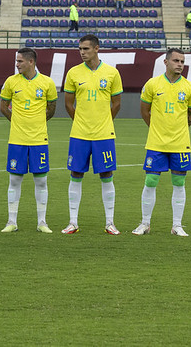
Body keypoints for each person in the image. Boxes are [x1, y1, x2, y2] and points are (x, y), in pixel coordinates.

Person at [133, 49, 191, 237]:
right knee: (151, 180)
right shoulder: (152, 84)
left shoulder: (190, 87)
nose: (180, 64)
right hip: (156, 143)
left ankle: (177, 225)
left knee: (179, 182)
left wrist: (179, 129)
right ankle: (145, 223)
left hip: (180, 143)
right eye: (176, 60)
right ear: (166, 62)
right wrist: (157, 128)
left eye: (182, 61)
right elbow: (145, 111)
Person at [61, 34, 123, 235]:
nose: (82, 52)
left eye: (86, 49)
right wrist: (80, 121)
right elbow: (69, 104)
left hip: (104, 135)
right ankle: (73, 222)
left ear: (96, 49)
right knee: (76, 174)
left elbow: (117, 103)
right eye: (80, 49)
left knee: (106, 174)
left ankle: (110, 222)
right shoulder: (73, 73)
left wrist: (104, 121)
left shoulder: (112, 73)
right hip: (79, 134)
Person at [0, 48, 57, 233]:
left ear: (31, 62)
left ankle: (42, 222)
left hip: (39, 140)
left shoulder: (47, 82)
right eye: (17, 61)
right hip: (17, 139)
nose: (17, 65)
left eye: (20, 61)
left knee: (41, 181)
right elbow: (3, 107)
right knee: (14, 179)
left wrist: (37, 123)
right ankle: (11, 221)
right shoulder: (11, 81)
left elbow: (52, 108)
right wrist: (17, 122)